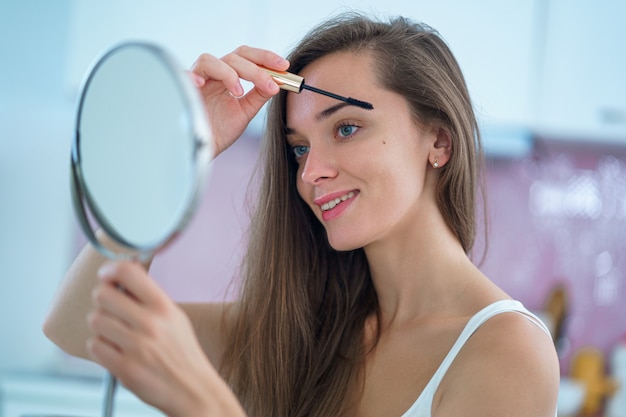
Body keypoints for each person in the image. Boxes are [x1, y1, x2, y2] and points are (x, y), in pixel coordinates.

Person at [43, 12, 560, 417]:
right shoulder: (299, 332)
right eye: (298, 148)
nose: (311, 173)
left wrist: (207, 405)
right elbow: (74, 325)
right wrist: (176, 160)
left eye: (347, 128)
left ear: (439, 142)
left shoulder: (507, 350)